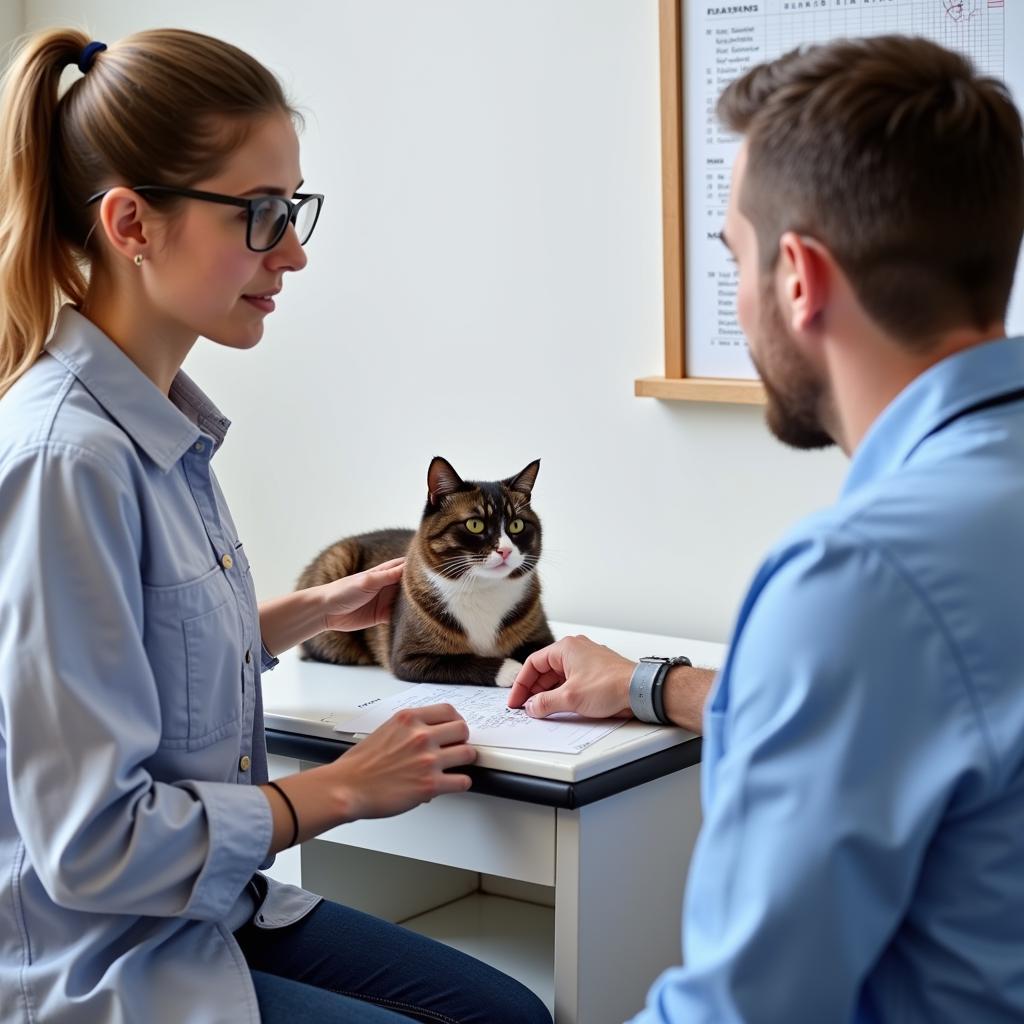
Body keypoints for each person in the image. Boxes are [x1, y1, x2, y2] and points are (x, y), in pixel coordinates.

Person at [0, 28, 551, 1024]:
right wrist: (340, 789)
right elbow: (90, 843)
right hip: (99, 955)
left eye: (293, 209)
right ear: (130, 222)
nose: (292, 251)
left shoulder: (162, 421)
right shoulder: (66, 459)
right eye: (260, 215)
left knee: (510, 1015)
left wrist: (300, 613)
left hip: (202, 903)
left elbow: (122, 664)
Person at [509, 34, 1024, 1023]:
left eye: (732, 259)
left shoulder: (859, 579)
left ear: (798, 276)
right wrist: (650, 684)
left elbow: (742, 1009)